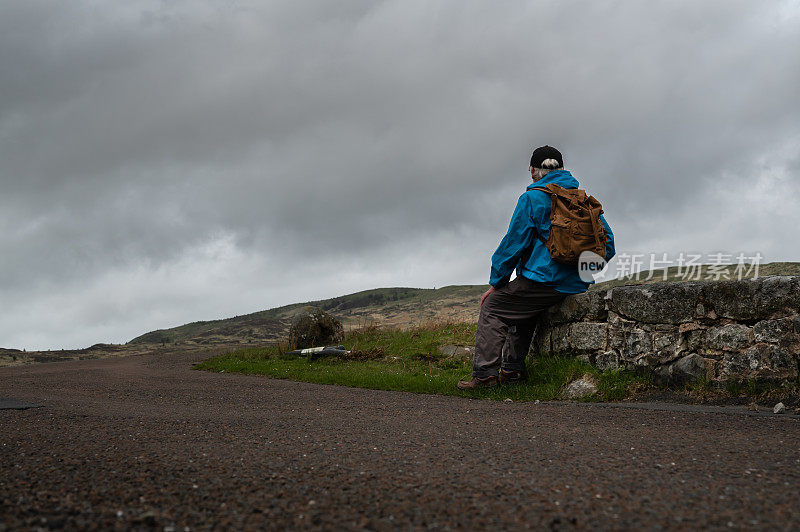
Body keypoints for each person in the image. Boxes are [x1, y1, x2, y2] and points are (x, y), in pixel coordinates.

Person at [457, 145, 615, 389]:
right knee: (522, 305)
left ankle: (486, 375)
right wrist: (582, 273)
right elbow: (609, 245)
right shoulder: (582, 200)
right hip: (574, 284)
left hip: (543, 281)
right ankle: (512, 371)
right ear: (562, 169)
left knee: (494, 306)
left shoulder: (532, 198)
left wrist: (496, 283)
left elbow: (512, 245)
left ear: (532, 171)